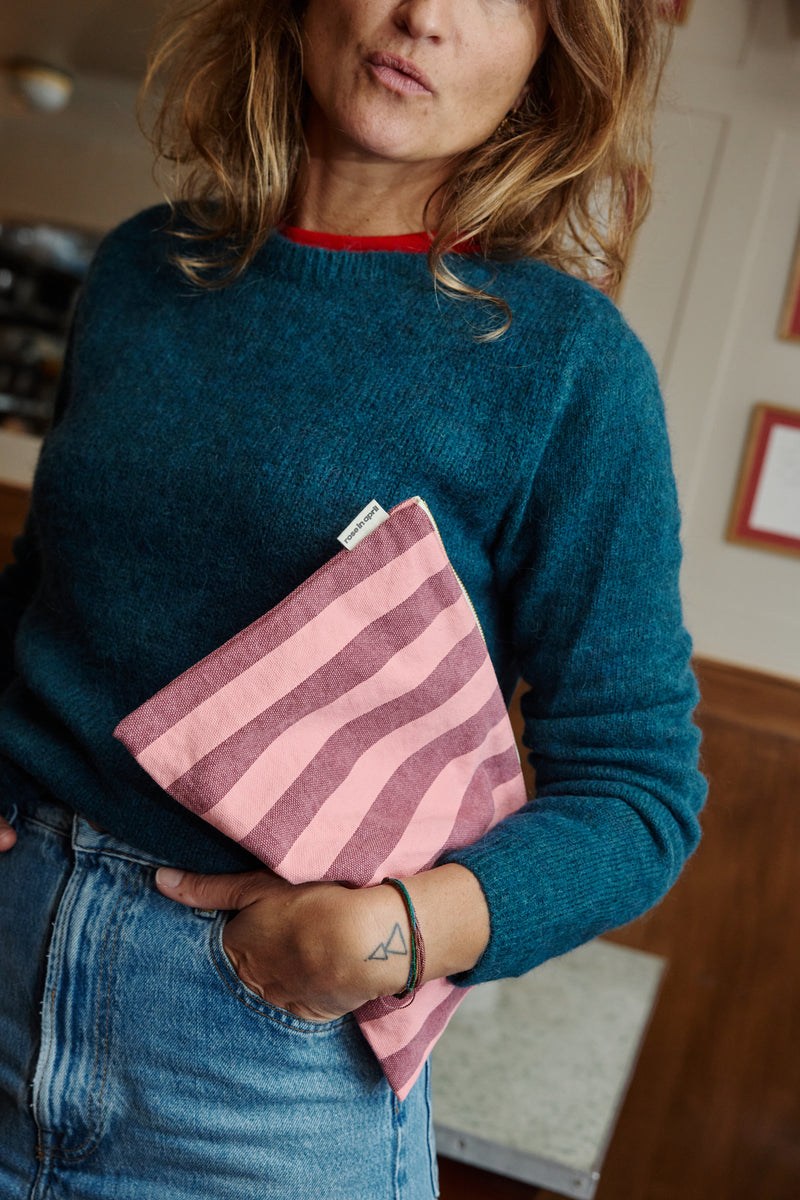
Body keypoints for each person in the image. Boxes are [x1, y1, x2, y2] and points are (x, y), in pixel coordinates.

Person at [0, 1, 707, 1197]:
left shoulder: (564, 366)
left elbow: (639, 795)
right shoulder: (138, 269)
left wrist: (384, 939)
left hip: (263, 1059)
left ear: (553, 55)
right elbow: (45, 595)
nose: (421, 16)